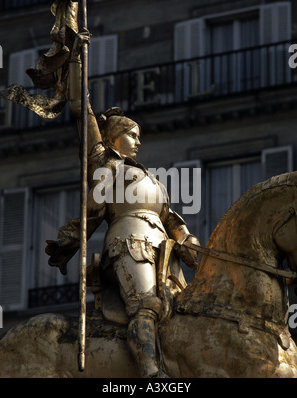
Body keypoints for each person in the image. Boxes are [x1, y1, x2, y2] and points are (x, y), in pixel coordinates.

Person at [45, 30, 200, 378]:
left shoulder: (154, 180)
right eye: (132, 135)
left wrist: (189, 241)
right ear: (114, 137)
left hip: (165, 250)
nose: (138, 143)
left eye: (140, 137)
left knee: (187, 314)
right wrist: (76, 61)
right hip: (128, 243)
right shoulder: (105, 163)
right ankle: (149, 373)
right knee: (146, 306)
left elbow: (172, 219)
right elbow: (79, 108)